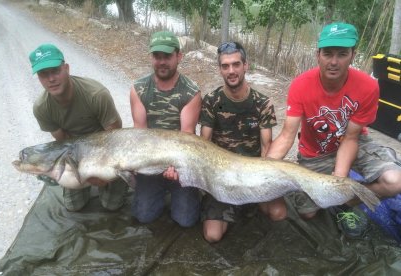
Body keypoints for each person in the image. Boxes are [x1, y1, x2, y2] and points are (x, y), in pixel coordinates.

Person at [266, 22, 401, 238]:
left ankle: (347, 203)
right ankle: (344, 194)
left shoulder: (369, 86)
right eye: (328, 54)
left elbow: (351, 138)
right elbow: (286, 136)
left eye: (342, 54)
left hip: (353, 143)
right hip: (315, 152)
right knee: (308, 213)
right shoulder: (301, 85)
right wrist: (265, 168)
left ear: (353, 55)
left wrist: (338, 181)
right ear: (317, 55)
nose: (334, 62)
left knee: (395, 181)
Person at [199, 41, 282, 243]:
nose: (231, 71)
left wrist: (264, 184)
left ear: (246, 65)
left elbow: (266, 148)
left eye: (236, 64)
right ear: (220, 69)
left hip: (253, 175)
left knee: (278, 213)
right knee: (212, 235)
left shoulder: (263, 103)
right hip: (222, 176)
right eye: (225, 66)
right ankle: (217, 210)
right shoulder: (211, 101)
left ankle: (250, 204)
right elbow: (204, 144)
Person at [29, 43, 127, 212]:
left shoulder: (96, 94)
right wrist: (80, 171)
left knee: (112, 205)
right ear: (39, 77)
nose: (51, 79)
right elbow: (63, 143)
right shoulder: (42, 108)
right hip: (77, 153)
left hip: (107, 151)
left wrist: (103, 173)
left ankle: (122, 178)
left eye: (55, 71)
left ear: (66, 68)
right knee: (74, 206)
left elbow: (115, 139)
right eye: (44, 74)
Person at [129, 31, 202, 227]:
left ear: (179, 56)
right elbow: (140, 134)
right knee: (144, 216)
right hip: (150, 160)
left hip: (179, 162)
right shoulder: (139, 88)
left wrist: (175, 166)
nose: (162, 62)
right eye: (157, 56)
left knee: (186, 221)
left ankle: (181, 193)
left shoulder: (191, 91)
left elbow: (186, 136)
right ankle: (153, 192)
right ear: (151, 57)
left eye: (167, 56)